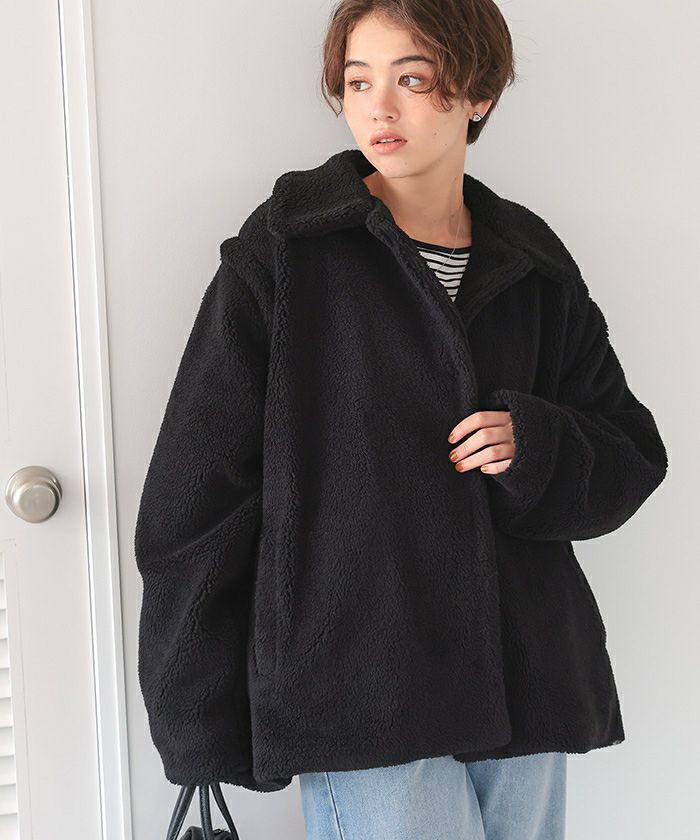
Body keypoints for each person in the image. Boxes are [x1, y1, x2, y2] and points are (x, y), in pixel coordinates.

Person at [134, 2, 668, 839]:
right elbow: (196, 500)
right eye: (358, 82)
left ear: (478, 93)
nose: (379, 108)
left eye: (412, 80)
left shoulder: (532, 261)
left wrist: (535, 445)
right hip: (361, 688)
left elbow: (631, 452)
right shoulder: (286, 252)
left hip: (524, 684)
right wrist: (195, 720)